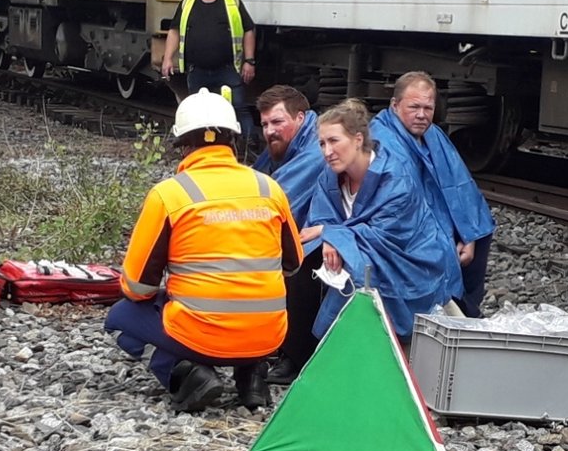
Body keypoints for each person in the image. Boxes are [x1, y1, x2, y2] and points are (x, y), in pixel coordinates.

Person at [104, 88, 303, 412]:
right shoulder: (269, 188)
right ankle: (252, 376)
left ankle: (188, 374)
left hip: (201, 339)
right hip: (267, 337)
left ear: (183, 145)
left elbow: (138, 287)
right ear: (233, 140)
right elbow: (292, 264)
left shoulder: (169, 195)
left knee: (120, 317)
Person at [301, 99, 461, 341]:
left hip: (410, 262)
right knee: (301, 259)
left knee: (360, 266)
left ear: (357, 139)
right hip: (358, 252)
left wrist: (332, 233)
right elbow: (320, 217)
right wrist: (331, 236)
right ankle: (297, 353)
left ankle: (348, 343)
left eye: (334, 141)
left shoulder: (395, 177)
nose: (327, 152)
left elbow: (385, 236)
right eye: (322, 143)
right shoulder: (330, 176)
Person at [371, 71, 496, 318]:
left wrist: (467, 233)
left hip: (442, 226)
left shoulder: (433, 134)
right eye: (414, 107)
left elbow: (460, 187)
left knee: (480, 232)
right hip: (410, 234)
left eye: (428, 108)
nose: (421, 115)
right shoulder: (382, 140)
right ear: (394, 105)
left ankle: (464, 318)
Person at [252, 85, 328, 384]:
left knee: (301, 261)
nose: (270, 131)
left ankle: (295, 354)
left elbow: (276, 202)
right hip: (326, 225)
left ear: (301, 117)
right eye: (265, 124)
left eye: (277, 122)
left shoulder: (314, 152)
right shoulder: (290, 145)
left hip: (344, 229)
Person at [161, 0, 256, 139]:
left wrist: (249, 61)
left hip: (227, 70)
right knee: (198, 114)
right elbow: (174, 31)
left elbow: (248, 30)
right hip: (197, 71)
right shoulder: (188, 2)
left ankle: (249, 146)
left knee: (238, 108)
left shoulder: (231, 2)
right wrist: (168, 58)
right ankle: (198, 146)